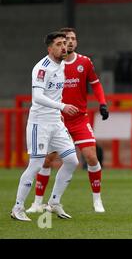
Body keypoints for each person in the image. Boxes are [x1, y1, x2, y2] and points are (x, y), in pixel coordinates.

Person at [26, 27, 109, 214]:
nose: (69, 42)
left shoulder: (84, 62)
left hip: (79, 118)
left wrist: (103, 103)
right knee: (46, 161)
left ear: (76, 42)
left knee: (91, 156)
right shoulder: (54, 65)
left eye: (72, 39)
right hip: (58, 119)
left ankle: (97, 200)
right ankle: (38, 203)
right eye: (65, 40)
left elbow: (95, 84)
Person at [11, 31, 80, 221]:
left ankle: (54, 203)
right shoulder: (42, 68)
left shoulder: (62, 65)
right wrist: (63, 106)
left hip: (56, 122)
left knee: (72, 161)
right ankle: (17, 208)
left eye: (64, 43)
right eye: (59, 44)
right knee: (35, 165)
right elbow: (38, 97)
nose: (63, 47)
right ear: (50, 48)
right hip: (39, 123)